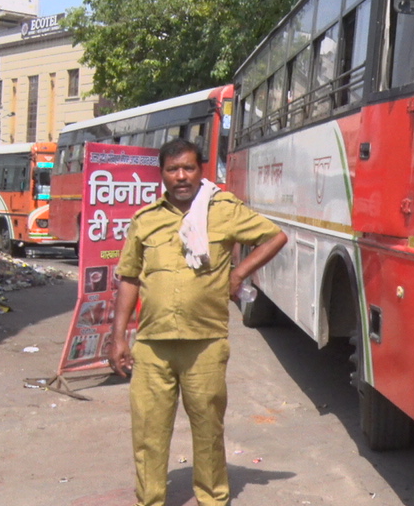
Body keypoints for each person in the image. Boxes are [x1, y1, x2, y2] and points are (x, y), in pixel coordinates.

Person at [109, 138, 287, 506]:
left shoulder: (222, 210)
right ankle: (150, 499)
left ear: (200, 170)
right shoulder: (146, 220)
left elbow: (274, 237)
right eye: (173, 170)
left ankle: (212, 499)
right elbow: (128, 278)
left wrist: (238, 274)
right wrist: (118, 338)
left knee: (207, 430)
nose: (181, 176)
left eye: (188, 168)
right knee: (148, 433)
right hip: (154, 345)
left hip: (205, 343)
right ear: (162, 175)